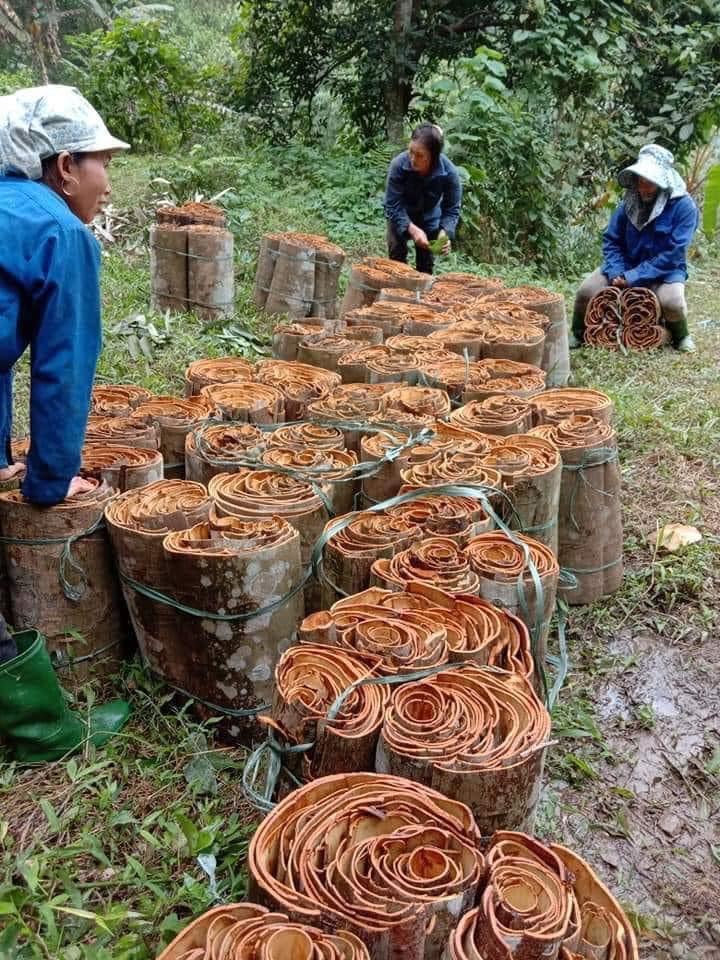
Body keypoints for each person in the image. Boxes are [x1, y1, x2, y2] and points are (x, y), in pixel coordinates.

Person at [0, 85, 130, 760]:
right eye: (102, 161)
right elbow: (62, 372)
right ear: (63, 166)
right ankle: (40, 731)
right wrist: (49, 483)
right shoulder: (59, 232)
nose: (108, 181)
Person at [570, 144, 699, 353]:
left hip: (665, 270)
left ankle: (681, 335)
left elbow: (674, 254)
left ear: (663, 180)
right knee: (586, 291)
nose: (643, 186)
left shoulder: (684, 207)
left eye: (650, 181)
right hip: (625, 264)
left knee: (673, 303)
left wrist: (633, 277)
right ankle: (577, 333)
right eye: (640, 180)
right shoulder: (628, 204)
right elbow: (611, 240)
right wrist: (616, 272)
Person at [384, 122, 462, 274]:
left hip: (429, 216)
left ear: (433, 156)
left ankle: (421, 295)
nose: (413, 159)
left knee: (425, 267)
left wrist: (445, 233)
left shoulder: (450, 173)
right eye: (410, 151)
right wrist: (412, 229)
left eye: (420, 155)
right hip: (401, 213)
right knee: (396, 258)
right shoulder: (398, 165)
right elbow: (392, 205)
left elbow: (452, 209)